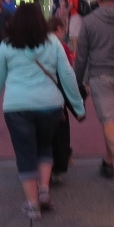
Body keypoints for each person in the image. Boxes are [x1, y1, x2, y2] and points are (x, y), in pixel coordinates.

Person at [0, 3, 84, 220]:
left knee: (25, 152)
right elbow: (67, 74)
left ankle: (32, 205)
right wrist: (77, 105)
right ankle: (44, 190)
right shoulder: (53, 43)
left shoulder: (7, 45)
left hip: (17, 106)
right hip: (50, 105)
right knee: (45, 146)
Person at [74, 0, 114, 195]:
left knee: (109, 122)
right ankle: (109, 162)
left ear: (98, 0)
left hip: (100, 76)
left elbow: (81, 56)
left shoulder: (89, 21)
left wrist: (77, 81)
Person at [46, 16, 75, 184]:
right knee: (60, 132)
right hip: (58, 95)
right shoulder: (62, 47)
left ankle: (42, 167)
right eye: (63, 30)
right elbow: (68, 72)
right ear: (58, 29)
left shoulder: (36, 44)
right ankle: (57, 168)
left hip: (38, 93)